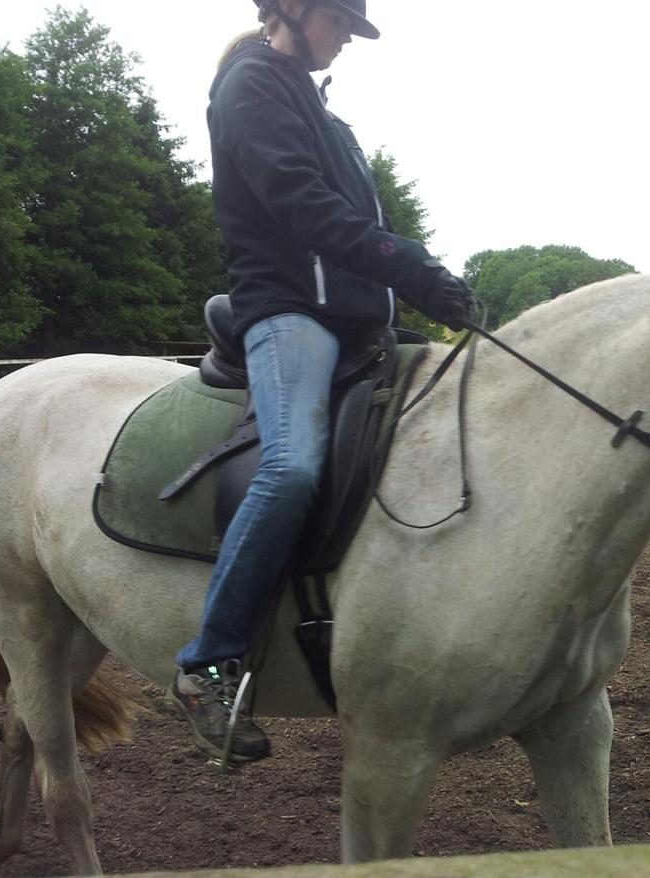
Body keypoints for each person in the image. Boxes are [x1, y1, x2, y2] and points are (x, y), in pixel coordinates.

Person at [168, 0, 473, 763]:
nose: (345, 40)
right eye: (339, 22)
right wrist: (416, 269)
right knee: (293, 466)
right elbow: (306, 211)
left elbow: (355, 226)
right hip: (287, 314)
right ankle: (208, 663)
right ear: (295, 10)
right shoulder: (250, 86)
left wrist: (414, 284)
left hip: (356, 320)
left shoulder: (321, 110)